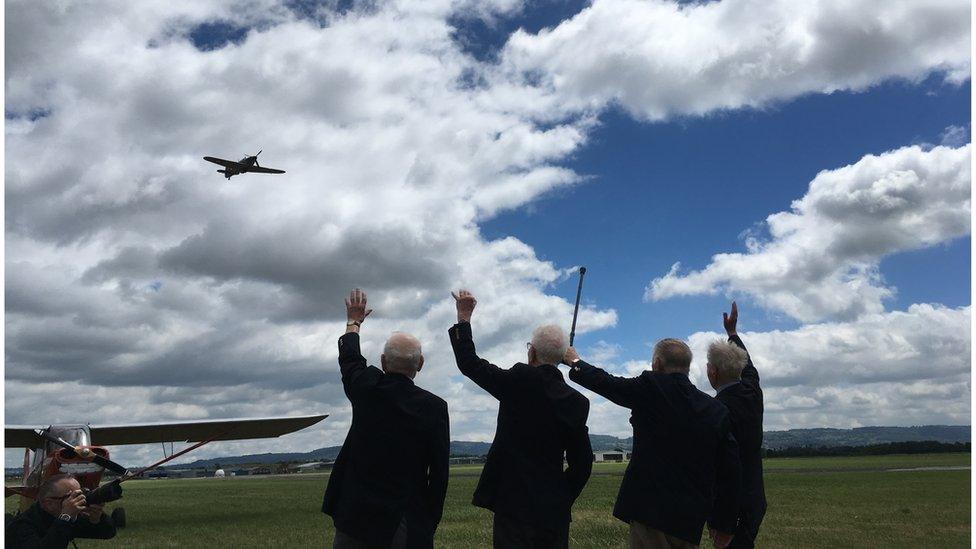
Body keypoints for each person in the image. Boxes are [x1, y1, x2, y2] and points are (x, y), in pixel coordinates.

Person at [448, 290, 593, 548]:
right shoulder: (577, 402)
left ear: (532, 353)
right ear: (562, 358)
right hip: (553, 512)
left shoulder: (516, 380)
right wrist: (560, 496)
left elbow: (469, 363)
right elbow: (582, 464)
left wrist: (464, 318)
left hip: (512, 505)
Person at [564, 338, 740, 549]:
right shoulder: (716, 410)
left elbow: (607, 383)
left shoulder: (650, 387)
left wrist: (575, 361)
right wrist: (725, 524)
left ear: (657, 363)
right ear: (687, 367)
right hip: (690, 517)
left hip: (650, 511)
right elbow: (731, 470)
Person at [322, 289, 450, 549]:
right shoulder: (435, 407)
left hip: (355, 517)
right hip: (405, 519)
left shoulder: (367, 388)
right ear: (421, 363)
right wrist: (429, 520)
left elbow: (350, 359)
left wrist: (354, 323)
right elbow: (439, 473)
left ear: (382, 361)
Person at [705, 302, 766, 549]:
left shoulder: (715, 411)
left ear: (714, 374)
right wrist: (733, 334)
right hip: (755, 499)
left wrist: (724, 523)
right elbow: (748, 366)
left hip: (732, 507)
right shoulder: (752, 392)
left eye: (709, 366)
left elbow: (729, 470)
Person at [7, 473, 116, 548]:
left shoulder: (66, 516)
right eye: (71, 497)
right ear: (49, 503)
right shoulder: (21, 526)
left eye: (80, 494)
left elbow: (108, 533)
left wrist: (97, 519)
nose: (79, 500)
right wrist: (65, 518)